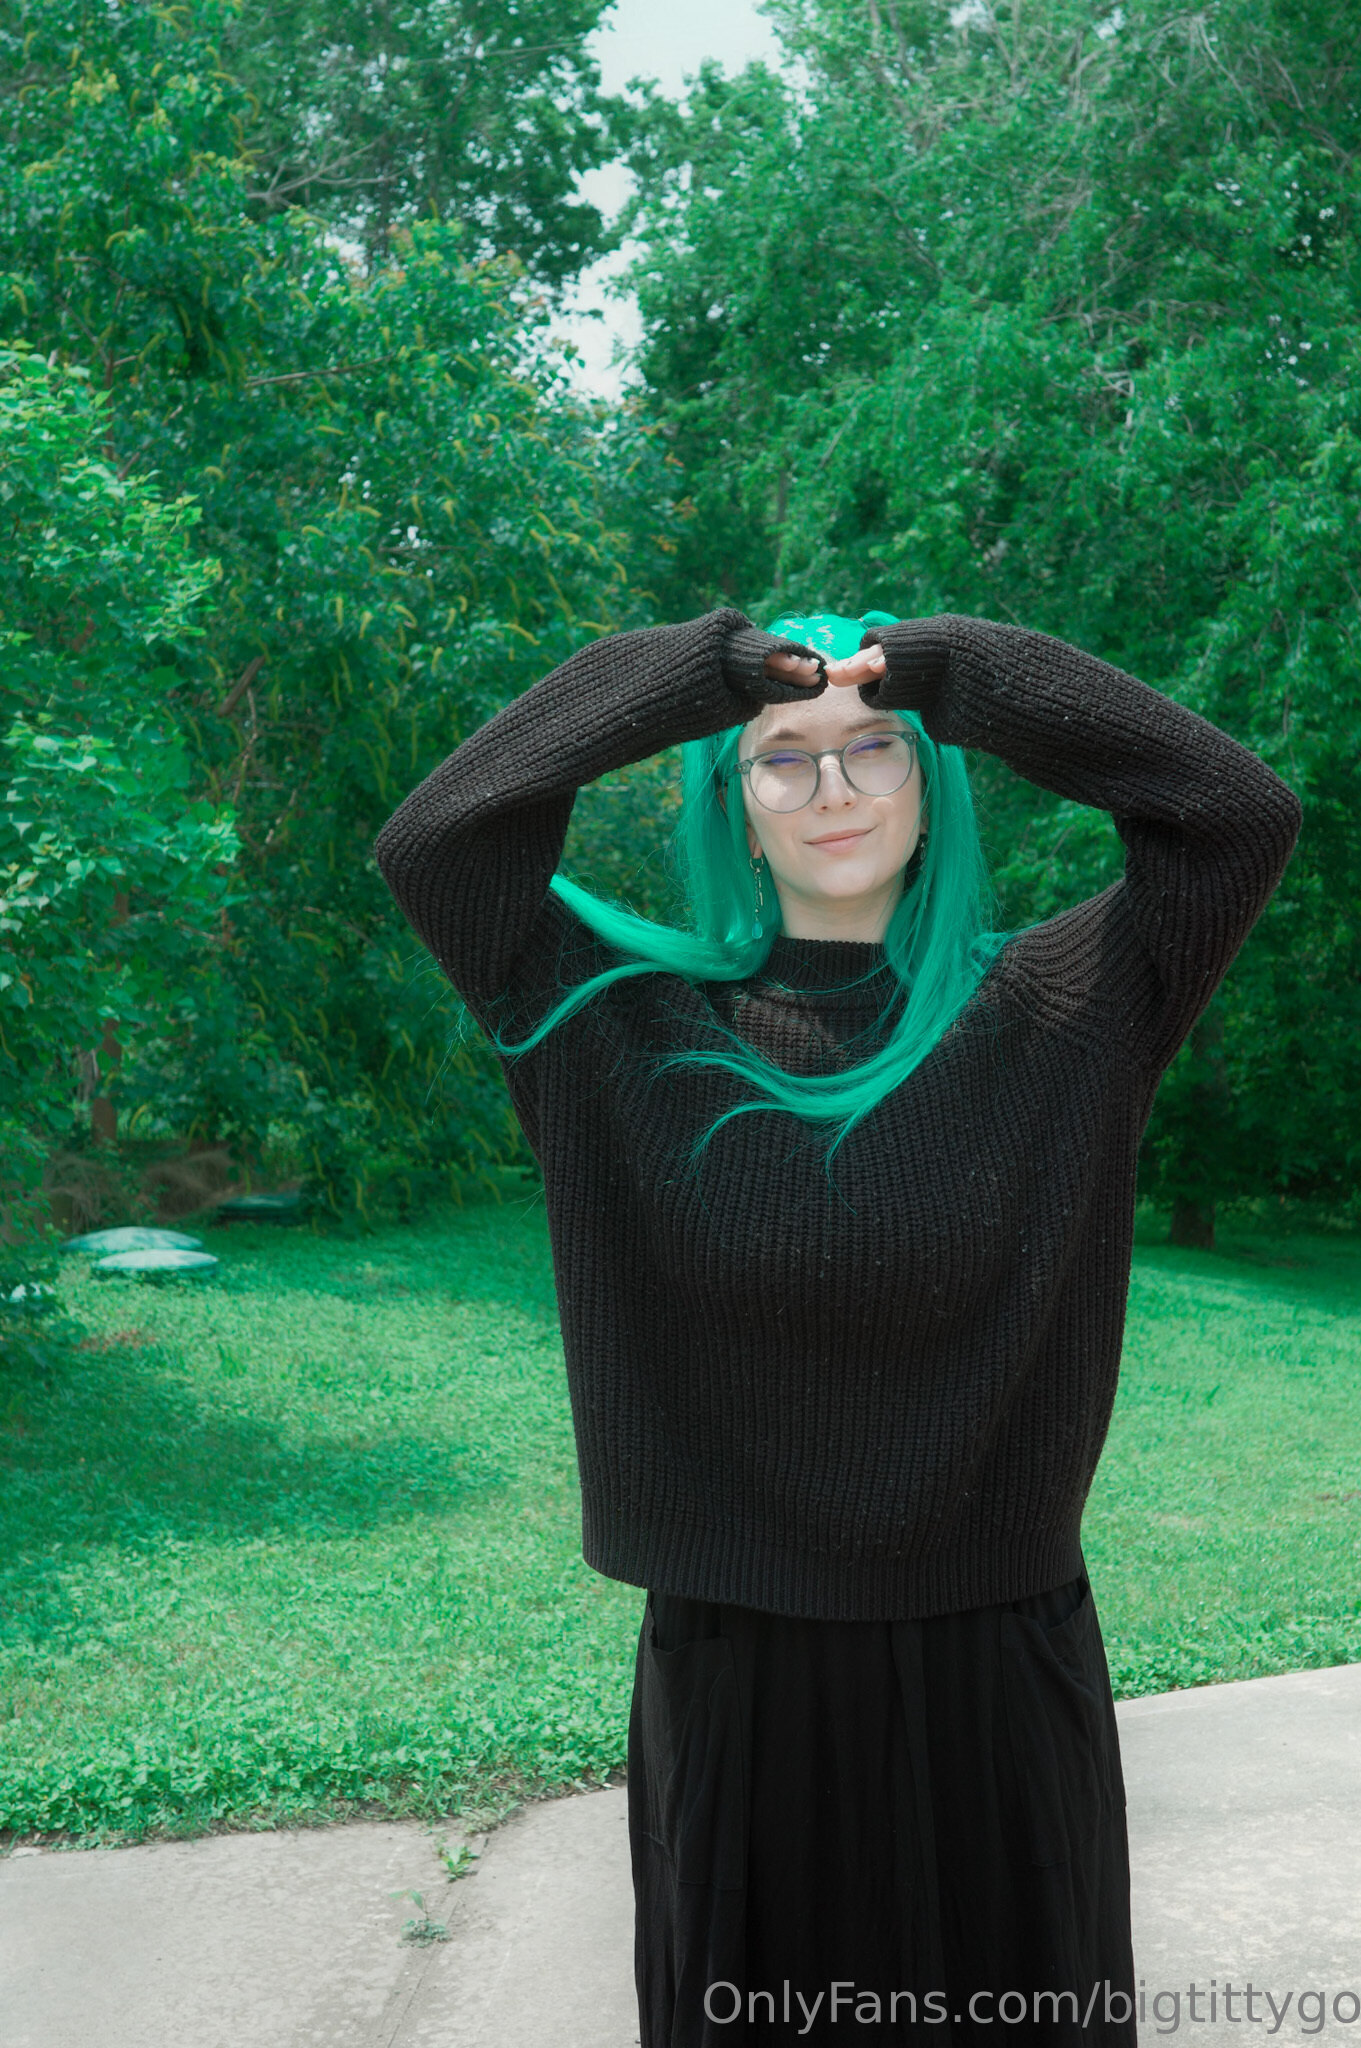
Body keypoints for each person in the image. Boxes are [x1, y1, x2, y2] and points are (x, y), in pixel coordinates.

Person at [373, 606, 1303, 2047]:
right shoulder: (616, 1023)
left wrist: (956, 668)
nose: (834, 790)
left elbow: (1236, 814)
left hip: (996, 1675)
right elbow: (440, 841)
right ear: (731, 804)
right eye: (783, 758)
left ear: (933, 784)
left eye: (876, 750)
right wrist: (700, 672)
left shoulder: (1066, 1006)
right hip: (740, 1684)